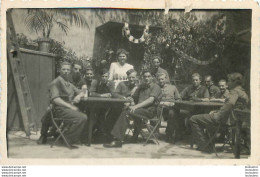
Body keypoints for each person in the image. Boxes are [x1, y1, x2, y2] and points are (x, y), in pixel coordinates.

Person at [190, 73, 249, 153]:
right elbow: (232, 107)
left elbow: (230, 104)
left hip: (226, 119)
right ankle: (209, 144)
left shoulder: (234, 92)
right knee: (208, 117)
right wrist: (217, 111)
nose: (228, 83)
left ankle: (204, 145)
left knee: (193, 119)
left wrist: (217, 115)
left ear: (234, 82)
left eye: (229, 81)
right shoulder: (242, 91)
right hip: (235, 119)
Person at [103, 69, 162, 148]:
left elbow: (150, 100)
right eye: (145, 77)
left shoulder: (156, 87)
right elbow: (133, 98)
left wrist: (135, 106)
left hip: (150, 111)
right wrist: (134, 93)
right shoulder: (141, 87)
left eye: (149, 76)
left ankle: (118, 140)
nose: (147, 78)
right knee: (124, 110)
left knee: (126, 113)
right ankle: (132, 137)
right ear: (142, 77)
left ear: (152, 77)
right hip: (141, 110)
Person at [37, 62, 88, 146]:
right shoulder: (56, 82)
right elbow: (55, 99)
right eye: (64, 69)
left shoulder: (68, 83)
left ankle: (67, 137)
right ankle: (68, 138)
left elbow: (82, 92)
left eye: (68, 70)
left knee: (83, 115)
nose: (66, 71)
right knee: (82, 117)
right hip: (59, 109)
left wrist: (80, 93)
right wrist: (70, 106)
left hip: (66, 109)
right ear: (59, 70)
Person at [156, 73, 181, 143]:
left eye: (162, 79)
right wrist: (161, 103)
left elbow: (178, 99)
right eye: (159, 79)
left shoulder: (173, 87)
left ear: (166, 79)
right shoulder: (156, 88)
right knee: (156, 111)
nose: (161, 81)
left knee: (172, 113)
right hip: (160, 106)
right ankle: (156, 133)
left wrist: (174, 103)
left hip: (171, 106)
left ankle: (169, 135)